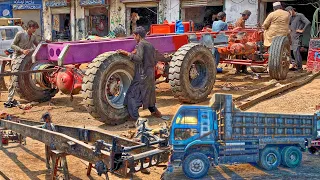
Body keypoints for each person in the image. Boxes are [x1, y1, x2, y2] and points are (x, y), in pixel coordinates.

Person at [117, 26, 165, 122]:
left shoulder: (141, 44)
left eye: (134, 36)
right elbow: (154, 58)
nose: (134, 38)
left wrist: (127, 53)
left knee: (132, 95)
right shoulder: (149, 45)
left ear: (138, 35)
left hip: (142, 74)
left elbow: (139, 59)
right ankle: (155, 111)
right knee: (149, 93)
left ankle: (135, 118)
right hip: (150, 74)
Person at [4, 20, 39, 108]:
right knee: (14, 78)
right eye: (34, 28)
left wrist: (45, 43)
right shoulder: (20, 34)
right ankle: (9, 99)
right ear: (29, 27)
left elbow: (38, 45)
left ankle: (28, 94)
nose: (35, 30)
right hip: (17, 58)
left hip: (26, 59)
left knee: (26, 77)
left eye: (35, 28)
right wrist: (22, 50)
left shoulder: (33, 36)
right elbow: (12, 45)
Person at [285, 6, 311, 71]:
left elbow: (308, 22)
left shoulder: (300, 15)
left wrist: (302, 30)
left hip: (297, 37)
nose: (288, 13)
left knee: (295, 51)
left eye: (288, 12)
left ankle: (299, 67)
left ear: (291, 10)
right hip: (291, 37)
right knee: (287, 52)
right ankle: (294, 64)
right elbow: (288, 24)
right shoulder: (291, 17)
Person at [234, 10, 252, 74]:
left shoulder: (241, 20)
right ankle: (239, 70)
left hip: (240, 39)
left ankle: (242, 69)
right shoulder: (240, 21)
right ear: (246, 15)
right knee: (241, 54)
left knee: (242, 55)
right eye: (248, 16)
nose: (248, 18)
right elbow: (239, 31)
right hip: (240, 40)